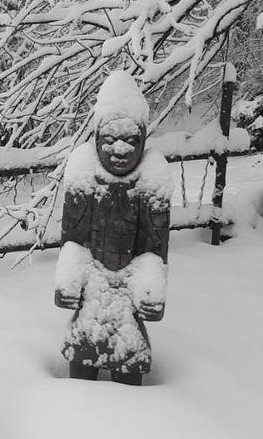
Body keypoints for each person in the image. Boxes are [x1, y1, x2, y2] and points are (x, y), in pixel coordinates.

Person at [55, 70, 171, 386]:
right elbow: (73, 240)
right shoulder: (83, 175)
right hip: (92, 283)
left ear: (143, 139)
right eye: (109, 140)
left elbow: (154, 248)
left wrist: (151, 288)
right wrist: (69, 279)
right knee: (82, 360)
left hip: (128, 288)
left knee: (129, 362)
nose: (120, 150)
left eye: (131, 141)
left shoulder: (151, 180)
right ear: (96, 138)